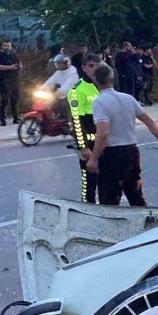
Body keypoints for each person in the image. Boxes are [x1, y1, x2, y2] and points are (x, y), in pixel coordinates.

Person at [86, 63, 158, 206]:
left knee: (109, 199)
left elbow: (103, 133)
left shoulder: (99, 102)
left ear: (95, 80)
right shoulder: (128, 98)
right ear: (112, 78)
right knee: (136, 195)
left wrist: (93, 158)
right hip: (131, 151)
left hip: (112, 154)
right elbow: (149, 121)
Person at [69, 54, 101, 204]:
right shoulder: (77, 90)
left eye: (97, 65)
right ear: (83, 68)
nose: (94, 69)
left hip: (105, 142)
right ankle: (86, 208)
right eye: (91, 66)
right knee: (88, 183)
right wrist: (83, 147)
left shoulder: (103, 85)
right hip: (90, 143)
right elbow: (77, 121)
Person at [0, 40, 21, 126]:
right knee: (5, 100)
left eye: (8, 46)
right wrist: (9, 67)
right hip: (4, 80)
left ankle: (16, 118)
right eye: (5, 46)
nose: (7, 47)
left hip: (15, 80)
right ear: (2, 46)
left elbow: (19, 64)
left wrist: (18, 66)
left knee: (15, 100)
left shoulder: (14, 55)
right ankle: (2, 119)